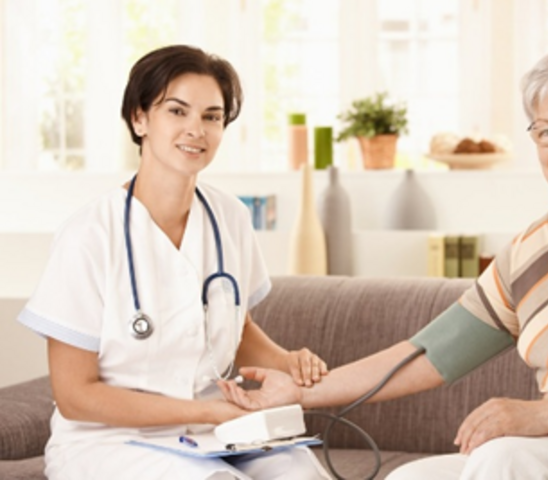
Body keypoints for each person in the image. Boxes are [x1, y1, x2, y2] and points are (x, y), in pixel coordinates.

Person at [218, 45, 548, 479]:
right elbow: (430, 352)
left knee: (507, 463)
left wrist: (547, 417)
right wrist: (301, 394)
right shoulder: (540, 245)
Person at [17, 45, 331, 480]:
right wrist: (207, 410)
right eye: (177, 111)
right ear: (139, 118)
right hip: (109, 442)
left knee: (300, 472)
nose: (196, 130)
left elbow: (237, 328)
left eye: (212, 117)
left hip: (211, 433)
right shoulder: (88, 235)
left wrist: (288, 360)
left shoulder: (231, 218)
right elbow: (75, 396)